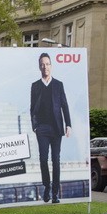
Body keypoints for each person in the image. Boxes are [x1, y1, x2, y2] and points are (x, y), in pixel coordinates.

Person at [29, 52, 72, 204]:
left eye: (47, 64)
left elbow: (64, 105)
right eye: (42, 64)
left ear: (51, 66)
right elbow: (32, 107)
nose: (45, 67)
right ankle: (46, 186)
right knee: (43, 159)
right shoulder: (35, 86)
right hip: (42, 128)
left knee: (56, 160)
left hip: (56, 128)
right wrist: (35, 126)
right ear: (39, 66)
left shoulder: (58, 84)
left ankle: (55, 194)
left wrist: (68, 124)